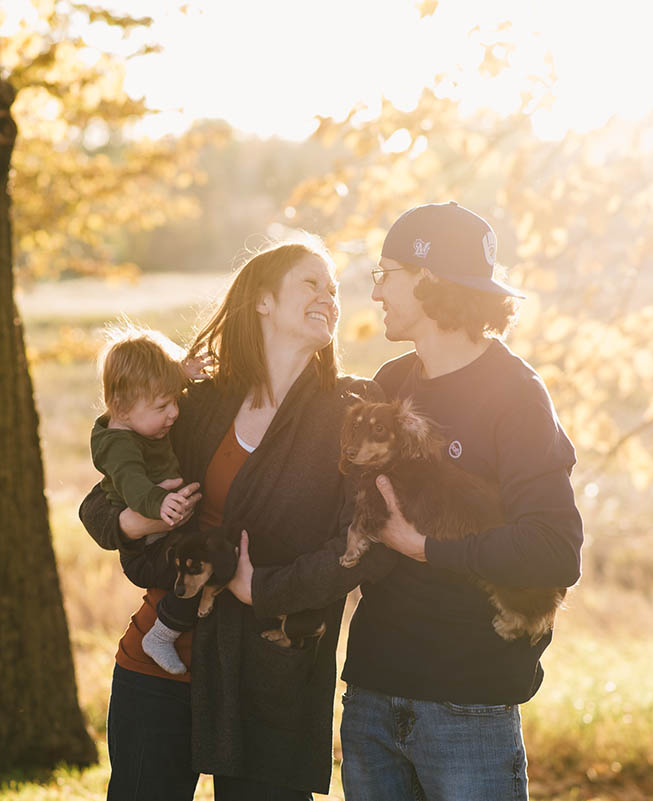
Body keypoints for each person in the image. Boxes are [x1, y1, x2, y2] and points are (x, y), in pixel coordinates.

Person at [230, 202, 584, 800]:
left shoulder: (516, 395)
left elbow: (554, 551)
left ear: (426, 278)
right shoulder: (389, 385)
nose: (375, 294)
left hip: (467, 708)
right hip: (371, 697)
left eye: (384, 274)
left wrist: (424, 547)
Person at [79, 238, 378, 800]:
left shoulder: (347, 411)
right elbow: (99, 506)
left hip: (269, 676)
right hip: (162, 662)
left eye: (334, 289)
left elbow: (361, 543)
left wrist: (260, 586)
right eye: (312, 283)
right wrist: (138, 524)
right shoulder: (199, 403)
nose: (329, 298)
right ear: (262, 300)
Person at [89, 328, 204, 675]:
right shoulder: (118, 445)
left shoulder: (139, 416)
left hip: (159, 535)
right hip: (146, 550)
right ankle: (161, 635)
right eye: (162, 406)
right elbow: (134, 486)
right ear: (121, 407)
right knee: (202, 569)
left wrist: (182, 373)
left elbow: (153, 389)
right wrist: (161, 505)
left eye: (175, 400)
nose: (174, 413)